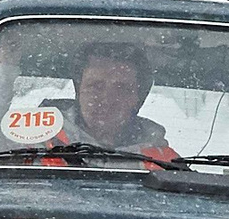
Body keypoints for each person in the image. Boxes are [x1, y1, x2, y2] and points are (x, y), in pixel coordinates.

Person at [37, 41, 177, 163]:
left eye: (121, 89)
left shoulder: (164, 164)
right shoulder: (31, 147)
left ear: (138, 100)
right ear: (78, 91)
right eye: (95, 86)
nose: (106, 100)